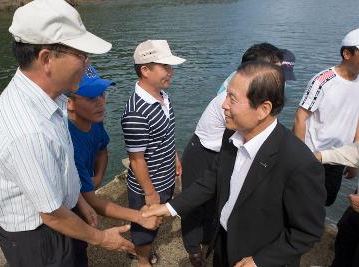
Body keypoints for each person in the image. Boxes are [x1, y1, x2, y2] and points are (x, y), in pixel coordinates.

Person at [0, 1, 134, 266]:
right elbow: (51, 215)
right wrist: (102, 238)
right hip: (38, 236)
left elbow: (61, 166)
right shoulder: (28, 130)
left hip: (61, 213)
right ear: (46, 59)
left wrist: (78, 202)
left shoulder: (53, 97)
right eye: (82, 55)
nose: (87, 65)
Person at [143, 61, 326, 267]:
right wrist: (169, 208)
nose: (224, 104)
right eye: (227, 94)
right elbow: (212, 179)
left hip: (259, 256)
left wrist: (260, 261)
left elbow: (307, 231)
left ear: (263, 109)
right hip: (224, 243)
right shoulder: (232, 134)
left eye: (232, 98)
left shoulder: (299, 163)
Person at [181, 43, 294, 267]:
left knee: (216, 202)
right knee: (197, 204)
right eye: (275, 70)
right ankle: (194, 250)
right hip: (203, 150)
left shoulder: (249, 96)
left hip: (222, 149)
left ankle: (208, 240)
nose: (279, 79)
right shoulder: (237, 104)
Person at [67, 65, 162, 266]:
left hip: (80, 190)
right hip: (61, 205)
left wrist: (99, 176)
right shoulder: (69, 142)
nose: (101, 102)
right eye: (92, 98)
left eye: (103, 94)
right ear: (69, 103)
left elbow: (102, 149)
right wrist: (140, 216)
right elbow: (92, 200)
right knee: (72, 251)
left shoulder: (94, 120)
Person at [121, 40, 185, 267]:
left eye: (170, 67)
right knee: (145, 227)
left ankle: (142, 250)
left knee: (153, 225)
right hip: (149, 185)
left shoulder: (164, 97)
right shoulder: (136, 113)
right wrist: (150, 194)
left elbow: (166, 135)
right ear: (145, 70)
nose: (171, 72)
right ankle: (142, 259)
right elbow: (136, 160)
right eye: (165, 67)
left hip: (165, 177)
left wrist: (175, 157)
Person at [293, 28, 359, 206]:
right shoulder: (322, 81)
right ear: (347, 53)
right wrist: (299, 157)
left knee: (326, 200)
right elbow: (300, 117)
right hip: (313, 155)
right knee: (301, 200)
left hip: (339, 157)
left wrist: (354, 160)